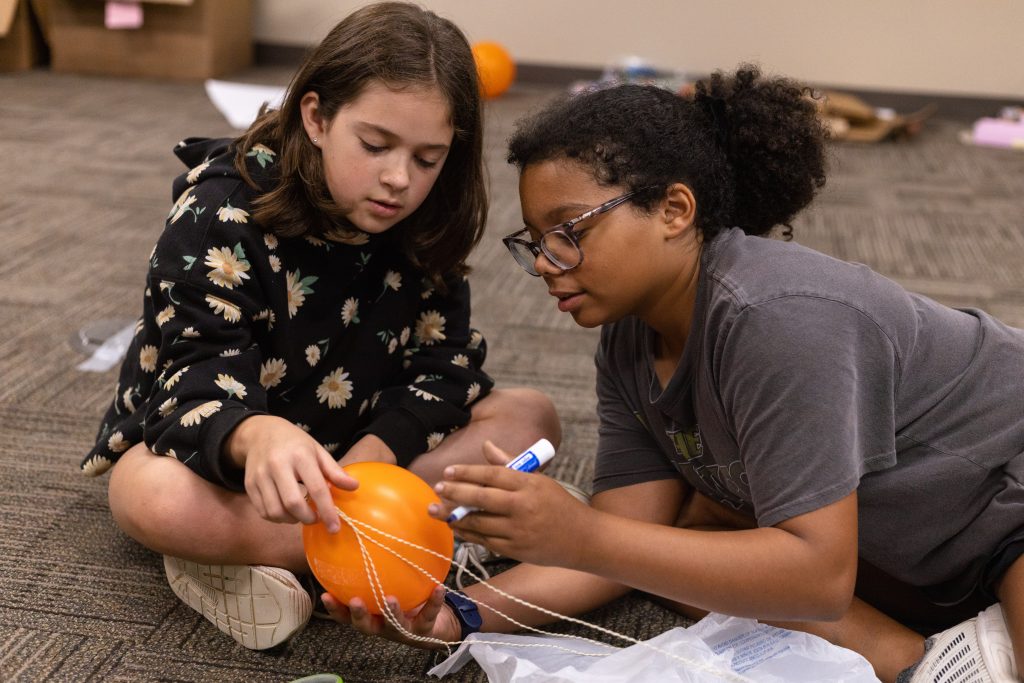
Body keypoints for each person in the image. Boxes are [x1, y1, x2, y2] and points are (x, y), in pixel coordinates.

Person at [332, 66, 1024, 683]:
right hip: (917, 548)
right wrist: (458, 612)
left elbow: (817, 576)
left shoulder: (779, 316)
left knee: (723, 549)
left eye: (569, 229)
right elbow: (627, 533)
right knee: (689, 535)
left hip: (1005, 511)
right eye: (536, 241)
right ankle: (923, 663)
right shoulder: (629, 339)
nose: (545, 261)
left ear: (674, 210)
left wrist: (580, 533)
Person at [78, 1, 559, 651]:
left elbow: (444, 368)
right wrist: (255, 436)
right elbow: (193, 377)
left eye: (428, 157)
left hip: (360, 453)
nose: (399, 179)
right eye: (376, 144)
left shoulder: (427, 215)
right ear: (316, 116)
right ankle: (407, 544)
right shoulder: (219, 211)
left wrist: (372, 459)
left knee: (532, 417)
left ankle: (329, 551)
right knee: (147, 491)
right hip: (233, 455)